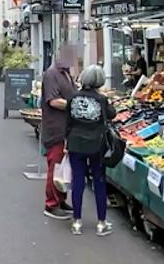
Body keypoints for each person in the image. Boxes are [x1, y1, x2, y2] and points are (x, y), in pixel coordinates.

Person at [65, 65, 116, 236]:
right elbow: (112, 114)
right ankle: (101, 222)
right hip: (97, 145)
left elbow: (68, 121)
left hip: (75, 143)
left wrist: (66, 141)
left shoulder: (72, 97)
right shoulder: (101, 99)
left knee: (77, 181)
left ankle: (77, 222)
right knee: (99, 181)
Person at [40, 46, 77, 220]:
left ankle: (60, 199)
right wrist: (74, 105)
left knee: (63, 166)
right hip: (56, 127)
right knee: (55, 165)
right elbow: (53, 101)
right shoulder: (52, 74)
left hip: (66, 127)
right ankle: (51, 204)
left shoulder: (66, 73)